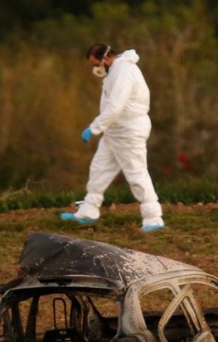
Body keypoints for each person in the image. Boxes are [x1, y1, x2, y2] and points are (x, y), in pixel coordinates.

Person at [60, 43, 165, 232]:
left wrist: (94, 128)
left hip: (129, 132)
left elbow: (115, 106)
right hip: (114, 132)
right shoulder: (114, 72)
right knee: (99, 169)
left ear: (106, 58)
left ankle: (153, 218)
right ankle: (88, 211)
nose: (96, 69)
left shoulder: (124, 72)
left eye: (97, 64)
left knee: (136, 173)